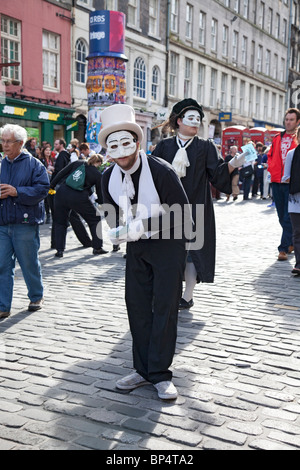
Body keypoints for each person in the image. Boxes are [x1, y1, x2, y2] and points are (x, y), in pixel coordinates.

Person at [99, 104, 192, 400]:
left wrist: (142, 225)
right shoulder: (107, 178)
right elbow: (111, 217)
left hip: (169, 245)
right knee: (137, 305)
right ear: (107, 150)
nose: (122, 153)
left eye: (127, 144)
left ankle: (161, 374)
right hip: (137, 248)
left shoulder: (161, 171)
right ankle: (142, 370)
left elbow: (183, 215)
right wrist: (111, 230)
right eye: (114, 147)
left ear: (138, 143)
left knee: (164, 306)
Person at [152, 98, 243, 310]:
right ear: (179, 121)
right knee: (169, 253)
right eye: (191, 118)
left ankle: (187, 295)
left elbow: (217, 175)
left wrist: (232, 164)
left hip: (197, 207)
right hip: (168, 209)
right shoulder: (163, 147)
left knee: (193, 252)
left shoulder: (206, 147)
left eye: (198, 119)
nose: (195, 122)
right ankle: (169, 292)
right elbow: (152, 176)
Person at [0, 124, 49, 319]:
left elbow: (43, 189)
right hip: (2, 223)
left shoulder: (34, 164)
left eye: (8, 141)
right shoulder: (1, 164)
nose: (4, 145)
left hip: (25, 223)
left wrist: (17, 192)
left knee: (28, 263)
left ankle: (36, 296)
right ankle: (3, 305)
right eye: (2, 141)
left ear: (20, 143)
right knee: (2, 265)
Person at [49, 154, 107, 258]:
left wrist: (51, 186)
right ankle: (97, 247)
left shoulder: (77, 163)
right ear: (98, 163)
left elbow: (61, 173)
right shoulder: (97, 174)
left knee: (60, 222)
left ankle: (59, 250)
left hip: (62, 193)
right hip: (79, 197)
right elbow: (100, 193)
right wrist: (101, 203)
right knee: (95, 219)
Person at [267, 108, 300, 261]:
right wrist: (271, 170)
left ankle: (283, 249)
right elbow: (270, 156)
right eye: (287, 119)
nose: (288, 122)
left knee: (288, 217)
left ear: (298, 121)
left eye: (291, 120)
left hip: (291, 183)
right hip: (276, 180)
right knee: (281, 216)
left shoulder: (298, 138)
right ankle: (293, 241)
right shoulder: (276, 137)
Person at [49, 139, 92, 250]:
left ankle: (57, 244)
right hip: (62, 189)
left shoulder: (63, 155)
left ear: (62, 145)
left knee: (63, 218)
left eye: (56, 144)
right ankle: (84, 241)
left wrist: (53, 186)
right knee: (69, 217)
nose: (55, 145)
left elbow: (60, 172)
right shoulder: (64, 155)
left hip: (61, 189)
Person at [282, 126, 300, 275]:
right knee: (297, 233)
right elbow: (285, 176)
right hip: (295, 200)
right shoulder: (292, 154)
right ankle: (299, 264)